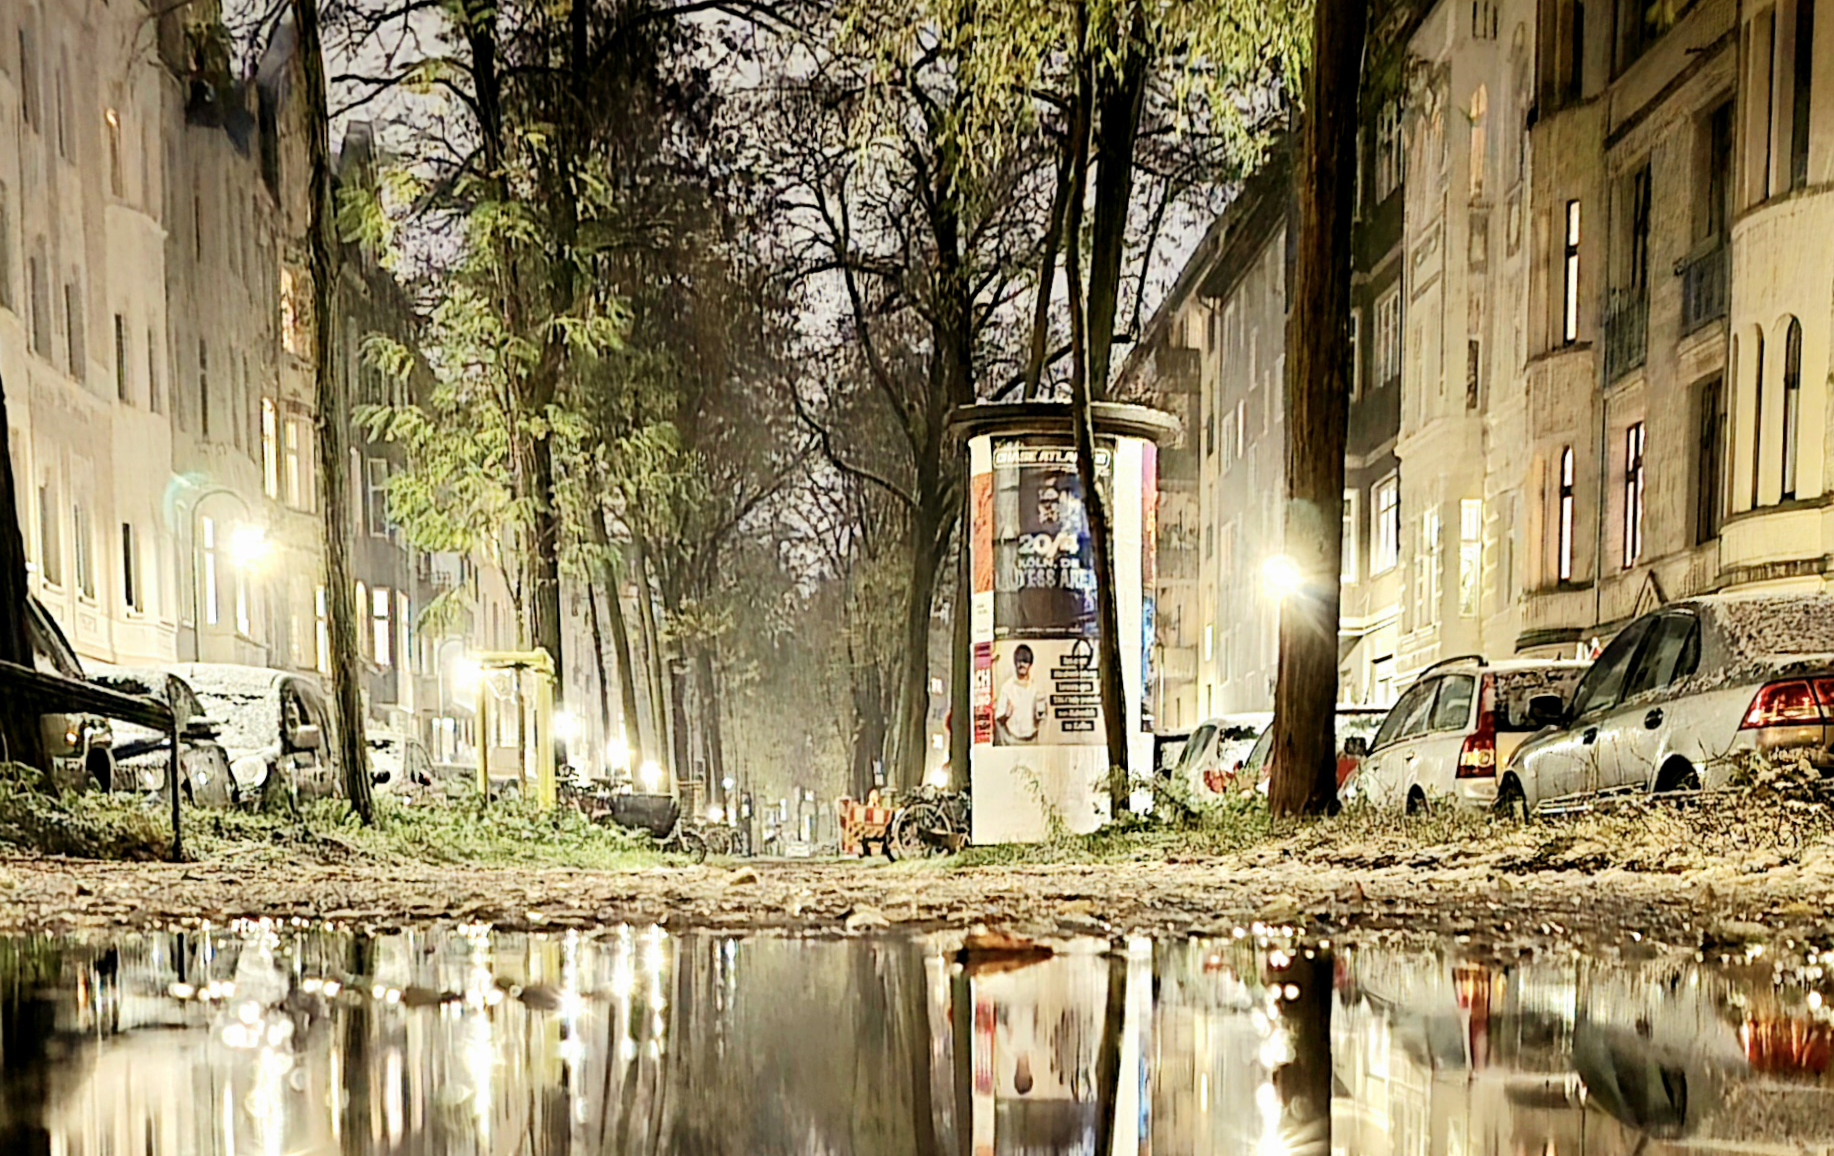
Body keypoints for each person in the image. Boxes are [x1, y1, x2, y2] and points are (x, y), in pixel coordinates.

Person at [994, 644, 1047, 745]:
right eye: (1019, 661)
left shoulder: (1037, 687)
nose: (1021, 665)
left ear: (1030, 664)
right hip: (1012, 740)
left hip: (1032, 740)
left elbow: (1043, 717)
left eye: (1025, 661)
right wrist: (1006, 715)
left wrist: (1040, 714)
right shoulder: (1007, 687)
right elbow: (998, 720)